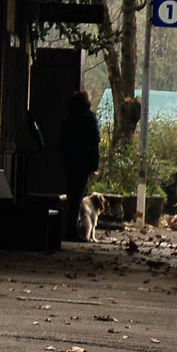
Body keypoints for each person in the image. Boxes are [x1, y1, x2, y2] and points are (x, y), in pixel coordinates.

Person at [60, 89, 102, 241]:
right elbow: (95, 142)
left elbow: (62, 143)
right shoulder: (90, 120)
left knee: (73, 197)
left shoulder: (68, 121)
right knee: (77, 197)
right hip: (83, 164)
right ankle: (72, 230)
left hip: (70, 163)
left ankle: (71, 228)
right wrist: (95, 164)